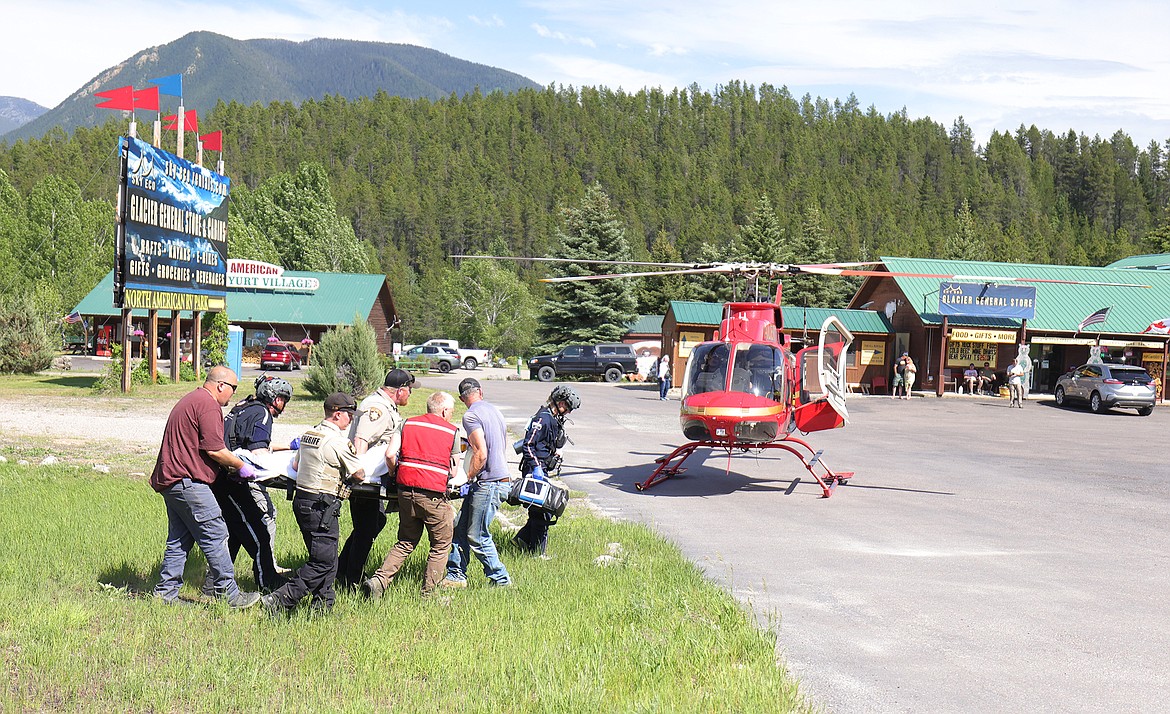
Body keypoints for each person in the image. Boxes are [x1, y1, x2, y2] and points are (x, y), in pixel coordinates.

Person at [149, 366, 261, 609]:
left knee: (180, 539)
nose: (232, 395)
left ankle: (165, 594)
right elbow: (214, 449)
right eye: (233, 388)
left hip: (173, 480)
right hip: (188, 482)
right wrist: (241, 465)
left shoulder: (191, 399)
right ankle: (229, 595)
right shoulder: (208, 405)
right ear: (221, 385)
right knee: (216, 533)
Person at [262, 393, 365, 614]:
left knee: (324, 557)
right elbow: (359, 473)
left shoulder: (310, 434)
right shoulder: (338, 441)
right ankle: (281, 599)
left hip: (303, 500)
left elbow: (297, 465)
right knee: (324, 562)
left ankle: (322, 606)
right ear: (337, 414)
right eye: (349, 415)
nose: (351, 420)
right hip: (322, 504)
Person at [363, 392, 462, 598]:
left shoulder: (407, 424)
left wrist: (394, 473)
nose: (451, 415)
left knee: (406, 541)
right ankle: (429, 593)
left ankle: (379, 581)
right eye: (451, 411)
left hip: (405, 493)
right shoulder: (452, 431)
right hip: (434, 495)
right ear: (444, 411)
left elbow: (390, 454)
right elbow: (453, 472)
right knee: (441, 544)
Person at [209, 374, 295, 594]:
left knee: (235, 533)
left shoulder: (244, 406)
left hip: (220, 476)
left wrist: (286, 446)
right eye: (283, 399)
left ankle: (213, 584)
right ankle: (268, 582)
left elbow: (244, 443)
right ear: (274, 398)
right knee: (259, 531)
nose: (283, 404)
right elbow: (258, 453)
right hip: (232, 479)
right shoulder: (263, 414)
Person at [336, 368, 414, 589]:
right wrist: (359, 479)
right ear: (400, 391)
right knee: (367, 527)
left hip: (369, 478)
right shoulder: (377, 407)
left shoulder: (383, 404)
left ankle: (343, 568)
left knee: (374, 522)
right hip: (365, 480)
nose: (410, 394)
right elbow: (361, 440)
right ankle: (351, 578)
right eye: (409, 390)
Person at [443, 378, 513, 588]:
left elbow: (481, 453)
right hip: (498, 480)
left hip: (489, 483)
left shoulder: (471, 415)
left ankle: (501, 580)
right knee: (460, 529)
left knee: (477, 535)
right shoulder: (495, 412)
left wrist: (466, 478)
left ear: (462, 398)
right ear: (481, 392)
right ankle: (456, 575)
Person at [514, 385, 580, 555]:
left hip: (542, 468)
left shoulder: (553, 418)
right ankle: (537, 553)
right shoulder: (542, 418)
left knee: (540, 510)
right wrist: (536, 467)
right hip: (534, 469)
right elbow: (528, 445)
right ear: (559, 402)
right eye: (567, 406)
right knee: (542, 513)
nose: (568, 412)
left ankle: (521, 539)